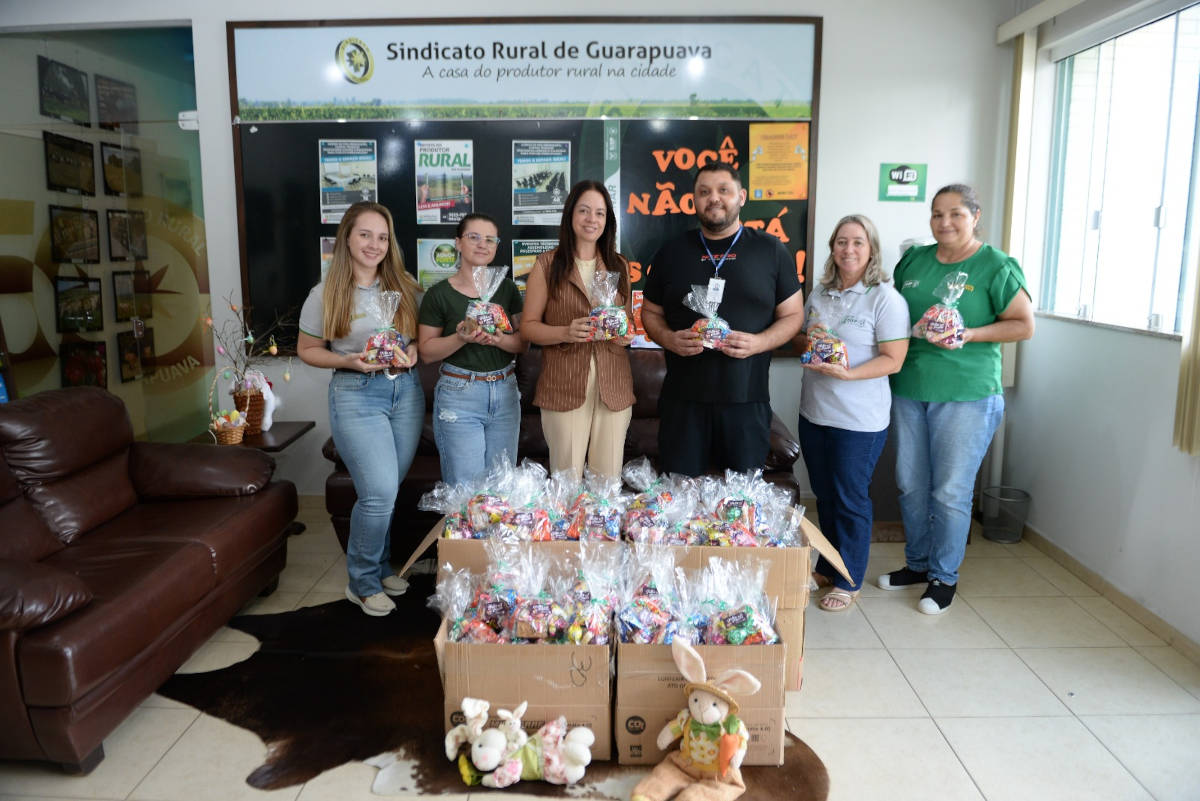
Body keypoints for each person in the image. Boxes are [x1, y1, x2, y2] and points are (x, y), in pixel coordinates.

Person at [878, 184, 1035, 614]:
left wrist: (968, 333)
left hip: (967, 395)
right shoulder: (915, 260)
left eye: (955, 214)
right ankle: (917, 563)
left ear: (975, 216)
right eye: (937, 214)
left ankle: (944, 577)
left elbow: (1023, 325)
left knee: (950, 492)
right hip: (909, 389)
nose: (944, 222)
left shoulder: (995, 265)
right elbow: (893, 311)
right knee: (911, 486)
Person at [297, 201, 423, 617]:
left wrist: (413, 352)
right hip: (355, 393)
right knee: (380, 490)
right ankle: (363, 582)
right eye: (365, 234)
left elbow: (421, 338)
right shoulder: (325, 293)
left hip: (404, 393)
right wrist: (348, 360)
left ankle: (381, 566)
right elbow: (308, 350)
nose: (374, 244)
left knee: (384, 489)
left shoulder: (405, 286)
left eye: (382, 237)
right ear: (347, 238)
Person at [640, 162, 804, 475]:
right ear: (693, 201)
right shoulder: (671, 252)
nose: (714, 198)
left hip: (746, 402)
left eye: (723, 190)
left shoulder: (771, 251)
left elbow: (793, 314)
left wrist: (759, 343)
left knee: (740, 502)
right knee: (681, 495)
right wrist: (669, 339)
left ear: (741, 196)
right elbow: (650, 313)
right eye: (704, 192)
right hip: (682, 404)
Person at [795, 215, 910, 612]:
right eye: (841, 242)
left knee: (850, 499)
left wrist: (849, 373)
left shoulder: (885, 298)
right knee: (825, 497)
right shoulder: (820, 294)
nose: (848, 249)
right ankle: (829, 565)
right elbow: (808, 336)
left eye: (858, 242)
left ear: (871, 249)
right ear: (832, 248)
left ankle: (850, 579)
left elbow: (894, 360)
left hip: (858, 421)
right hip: (815, 413)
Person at [521, 180, 634, 479]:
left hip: (614, 388)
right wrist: (565, 332)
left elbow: (626, 321)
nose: (591, 220)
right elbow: (528, 327)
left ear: (607, 220)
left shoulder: (619, 265)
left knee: (607, 485)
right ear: (571, 215)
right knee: (566, 483)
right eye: (584, 211)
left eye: (599, 213)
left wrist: (625, 334)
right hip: (564, 386)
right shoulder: (547, 264)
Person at [418, 213, 526, 486]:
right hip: (459, 393)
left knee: (503, 489)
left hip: (505, 391)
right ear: (458, 243)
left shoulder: (508, 289)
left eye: (490, 239)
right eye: (473, 237)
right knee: (466, 491)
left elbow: (523, 342)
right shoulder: (438, 294)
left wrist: (499, 340)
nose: (482, 244)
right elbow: (427, 351)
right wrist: (461, 338)